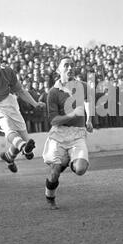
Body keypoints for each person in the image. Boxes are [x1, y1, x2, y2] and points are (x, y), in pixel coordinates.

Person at [42, 57, 93, 210]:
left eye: (72, 65)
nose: (70, 68)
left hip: (77, 134)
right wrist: (71, 115)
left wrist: (89, 118)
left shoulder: (82, 86)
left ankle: (64, 162)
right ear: (59, 70)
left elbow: (88, 100)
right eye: (66, 65)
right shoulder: (53, 92)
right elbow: (54, 120)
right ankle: (50, 197)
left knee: (80, 169)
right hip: (59, 134)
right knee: (54, 173)